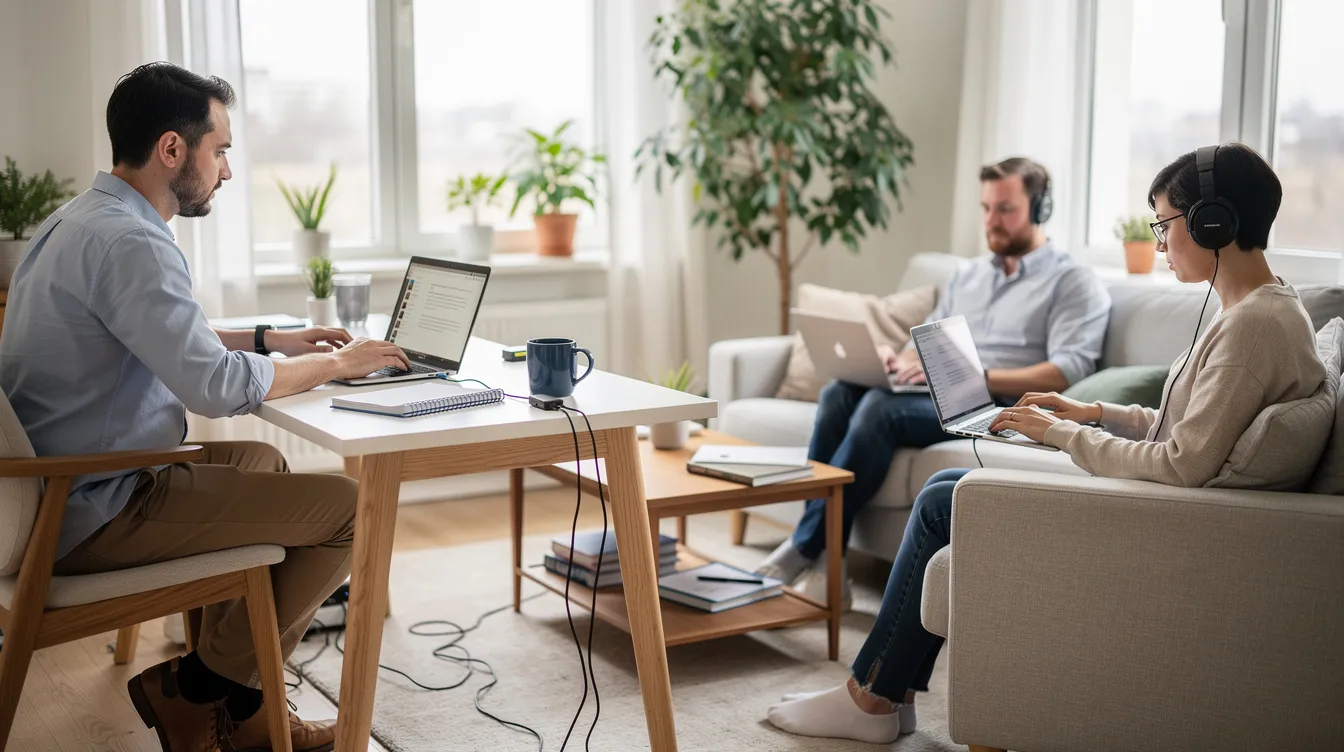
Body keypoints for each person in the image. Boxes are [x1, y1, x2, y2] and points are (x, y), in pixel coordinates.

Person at [764, 142, 1326, 744]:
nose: (1160, 244)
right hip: (1174, 507)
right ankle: (885, 695)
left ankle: (871, 698)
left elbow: (1182, 465)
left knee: (941, 499)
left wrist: (1061, 433)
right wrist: (1091, 410)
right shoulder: (1248, 311)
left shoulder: (1254, 328)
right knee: (944, 487)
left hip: (1174, 523)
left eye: (1165, 225)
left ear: (1215, 223)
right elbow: (1180, 426)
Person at [0, 62, 413, 752]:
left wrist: (269, 339)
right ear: (172, 150)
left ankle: (241, 709)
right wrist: (338, 365)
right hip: (92, 506)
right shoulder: (133, 241)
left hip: (64, 484)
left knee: (263, 461)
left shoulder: (79, 219)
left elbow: (154, 329)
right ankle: (195, 692)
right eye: (219, 150)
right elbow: (214, 388)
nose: (224, 170)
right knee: (350, 511)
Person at [755, 157, 1112, 606]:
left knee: (879, 411)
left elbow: (1066, 370)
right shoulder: (968, 275)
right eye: (985, 208)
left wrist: (974, 375)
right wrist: (896, 359)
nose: (991, 221)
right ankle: (829, 558)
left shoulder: (1072, 280)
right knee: (840, 393)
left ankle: (806, 546)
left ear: (1041, 208)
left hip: (999, 402)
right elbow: (923, 340)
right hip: (939, 391)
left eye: (1005, 209)